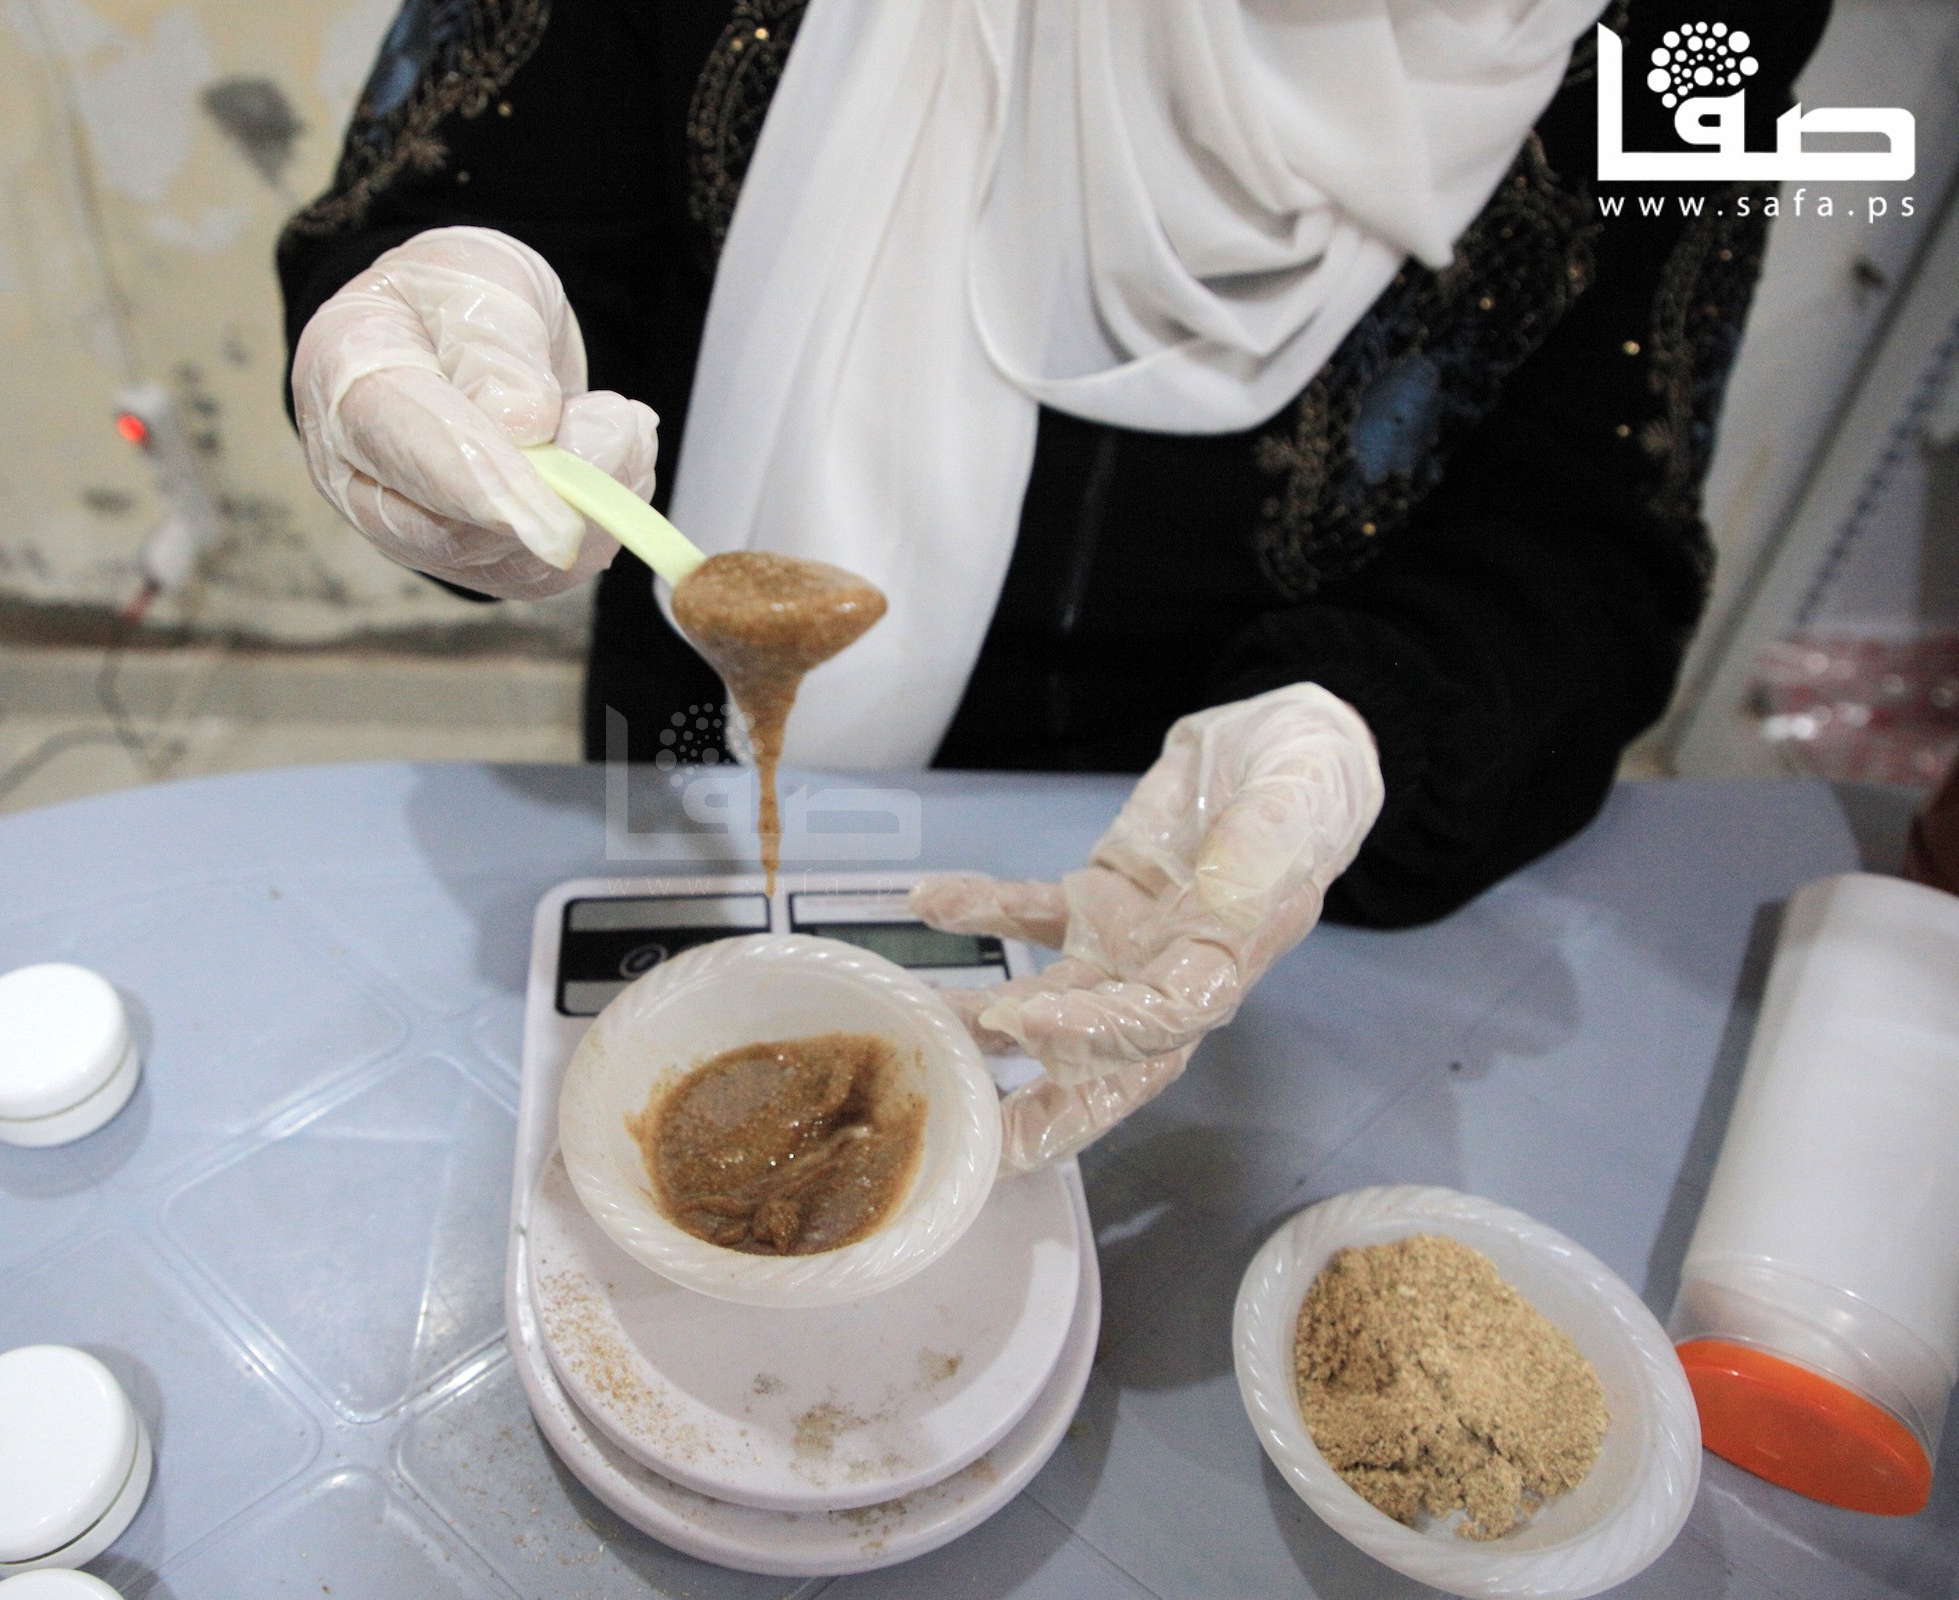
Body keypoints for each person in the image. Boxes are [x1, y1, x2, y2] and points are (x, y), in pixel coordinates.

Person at [279, 0, 1829, 1167]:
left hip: (1202, 874)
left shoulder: (1696, 26)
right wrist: (465, 313)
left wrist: (1368, 723)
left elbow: (1593, 533)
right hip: (712, 755)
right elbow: (497, 184)